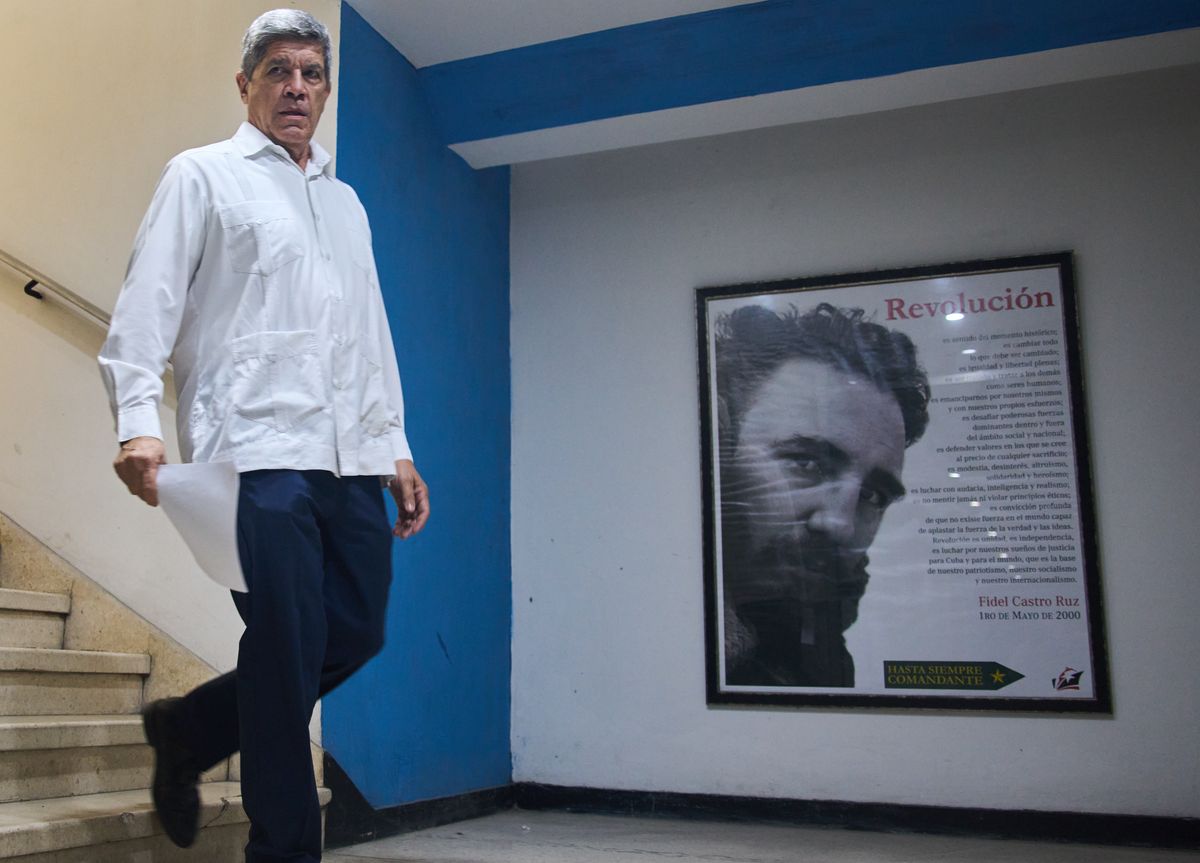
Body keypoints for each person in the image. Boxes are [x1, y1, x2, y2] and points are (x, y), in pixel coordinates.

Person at [97, 10, 429, 861]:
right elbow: (147, 303)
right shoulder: (201, 176)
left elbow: (368, 329)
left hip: (347, 457)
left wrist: (395, 444)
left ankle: (192, 727)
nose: (296, 88)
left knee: (356, 628)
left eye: (312, 74)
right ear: (245, 84)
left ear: (326, 89)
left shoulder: (345, 202)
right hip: (253, 454)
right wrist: (137, 420)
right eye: (279, 70)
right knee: (285, 652)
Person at [714, 303, 928, 687]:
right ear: (720, 452)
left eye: (872, 495)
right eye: (807, 463)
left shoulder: (818, 654)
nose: (839, 524)